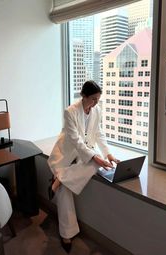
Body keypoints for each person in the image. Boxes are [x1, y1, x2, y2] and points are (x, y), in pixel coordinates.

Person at [47, 80, 119, 253]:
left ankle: (59, 179)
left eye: (98, 100)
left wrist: (107, 153)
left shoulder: (96, 110)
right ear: (84, 96)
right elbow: (76, 141)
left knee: (95, 164)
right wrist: (94, 156)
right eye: (93, 99)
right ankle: (66, 234)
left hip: (83, 154)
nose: (95, 103)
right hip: (66, 155)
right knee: (65, 192)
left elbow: (98, 133)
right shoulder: (70, 111)